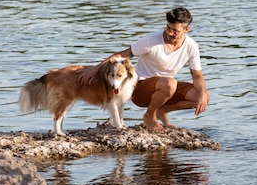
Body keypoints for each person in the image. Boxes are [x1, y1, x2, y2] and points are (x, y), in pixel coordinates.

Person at [78, 7, 210, 134]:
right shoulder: (151, 40)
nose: (170, 33)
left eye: (175, 31)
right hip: (140, 88)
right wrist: (95, 69)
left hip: (165, 88)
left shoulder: (191, 46)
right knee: (170, 83)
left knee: (201, 97)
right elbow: (122, 55)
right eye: (168, 28)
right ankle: (149, 117)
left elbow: (197, 75)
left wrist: (202, 93)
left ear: (186, 29)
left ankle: (161, 111)